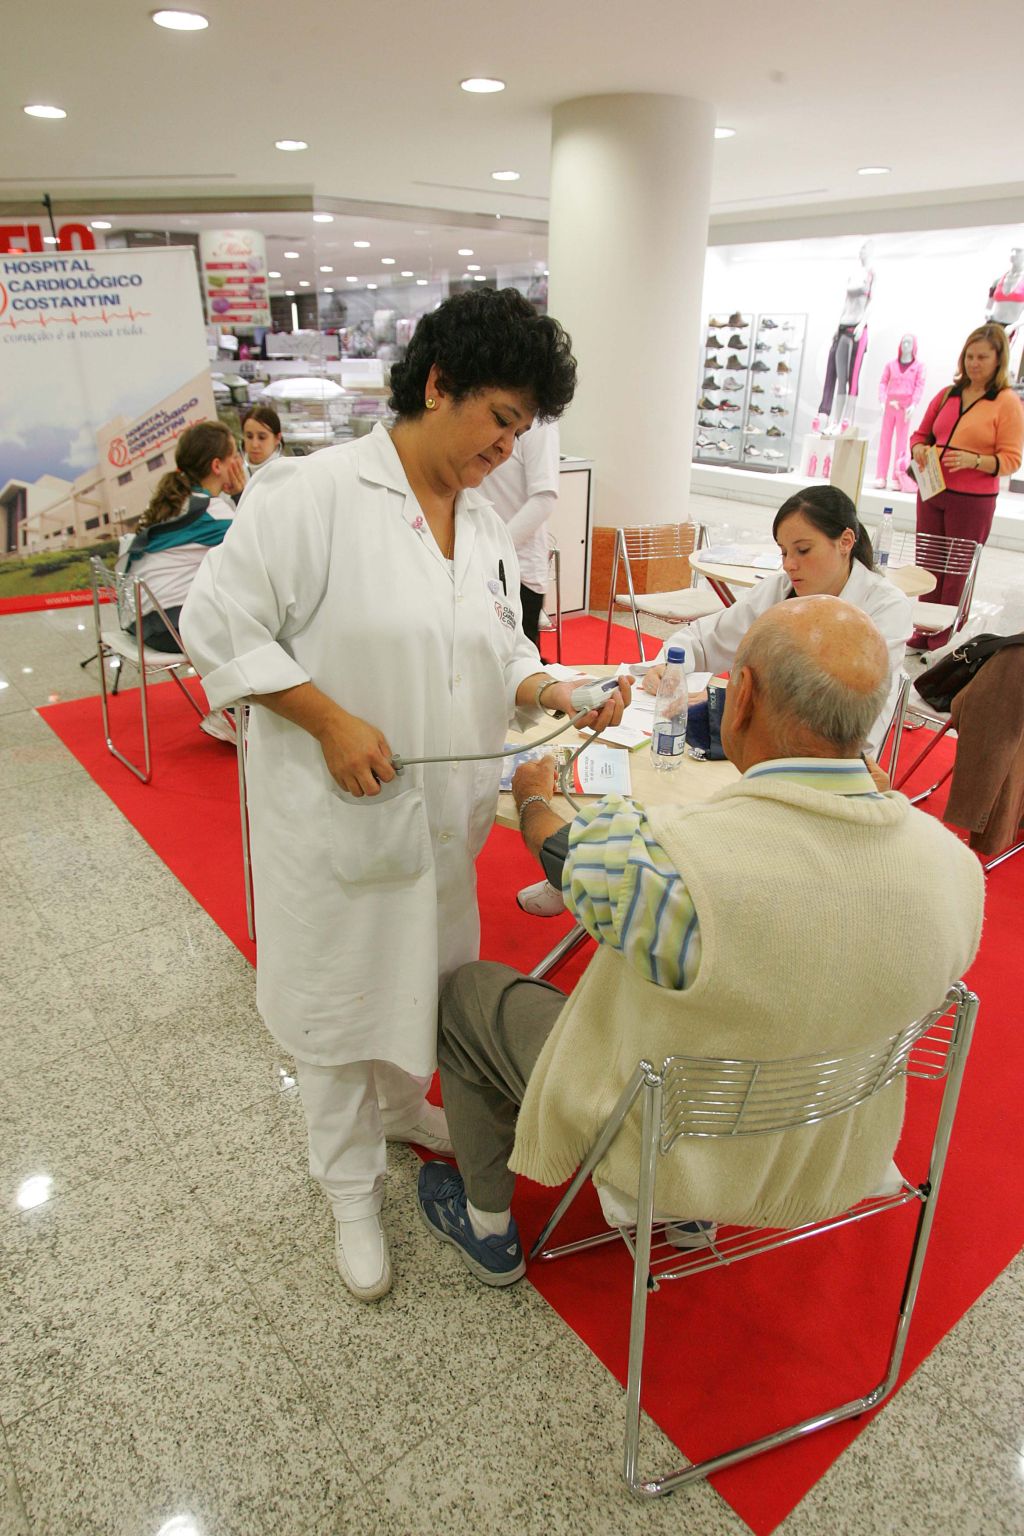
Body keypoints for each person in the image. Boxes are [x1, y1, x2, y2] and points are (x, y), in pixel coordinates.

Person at [180, 287, 629, 1302]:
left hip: (438, 822)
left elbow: (495, 642)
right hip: (338, 821)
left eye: (525, 428)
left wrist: (550, 686)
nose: (508, 449)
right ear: (438, 385)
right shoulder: (312, 494)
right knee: (338, 1002)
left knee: (424, 979)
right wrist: (327, 719)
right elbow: (216, 621)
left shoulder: (476, 524)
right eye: (500, 419)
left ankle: (397, 1110)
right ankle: (346, 1185)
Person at [415, 597, 985, 1286]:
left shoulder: (675, 867)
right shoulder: (954, 869)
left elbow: (568, 859)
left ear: (739, 697)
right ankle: (686, 1221)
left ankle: (487, 1228)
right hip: (824, 1136)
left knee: (467, 995)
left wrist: (535, 796)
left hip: (667, 1141)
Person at [908, 324, 1024, 650]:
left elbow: (1011, 459)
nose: (974, 363)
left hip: (972, 500)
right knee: (928, 564)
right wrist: (917, 447)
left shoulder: (1007, 402)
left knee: (957, 571)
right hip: (932, 491)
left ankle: (945, 635)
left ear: (998, 360)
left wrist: (976, 461)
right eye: (970, 356)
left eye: (982, 357)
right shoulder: (947, 394)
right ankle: (925, 628)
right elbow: (921, 434)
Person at [483, 418, 561, 648]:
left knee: (518, 661)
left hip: (519, 570)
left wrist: (494, 550)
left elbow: (544, 499)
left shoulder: (541, 423)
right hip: (479, 561)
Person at [241, 404, 284, 474]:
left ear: (277, 438)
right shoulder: (234, 474)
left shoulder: (289, 473)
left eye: (262, 437)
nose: (254, 445)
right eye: (249, 436)